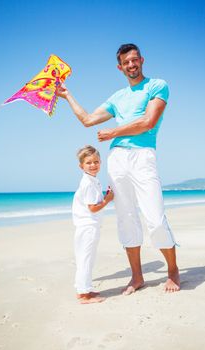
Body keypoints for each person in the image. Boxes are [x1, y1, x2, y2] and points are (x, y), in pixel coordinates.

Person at [57, 43, 180, 294]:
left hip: (143, 156)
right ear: (120, 67)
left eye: (135, 60)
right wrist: (67, 95)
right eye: (126, 63)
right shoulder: (118, 97)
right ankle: (137, 277)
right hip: (117, 159)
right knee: (126, 218)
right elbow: (88, 120)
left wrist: (114, 131)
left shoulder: (158, 85)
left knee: (155, 218)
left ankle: (173, 270)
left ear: (142, 60)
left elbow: (148, 122)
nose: (131, 65)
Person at [72, 145, 114, 304]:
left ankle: (84, 288)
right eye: (88, 162)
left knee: (84, 257)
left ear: (101, 162)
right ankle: (84, 294)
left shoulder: (92, 180)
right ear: (81, 166)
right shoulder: (88, 183)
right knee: (86, 259)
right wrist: (107, 200)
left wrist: (104, 197)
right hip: (88, 226)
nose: (93, 165)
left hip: (86, 226)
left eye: (96, 161)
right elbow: (93, 207)